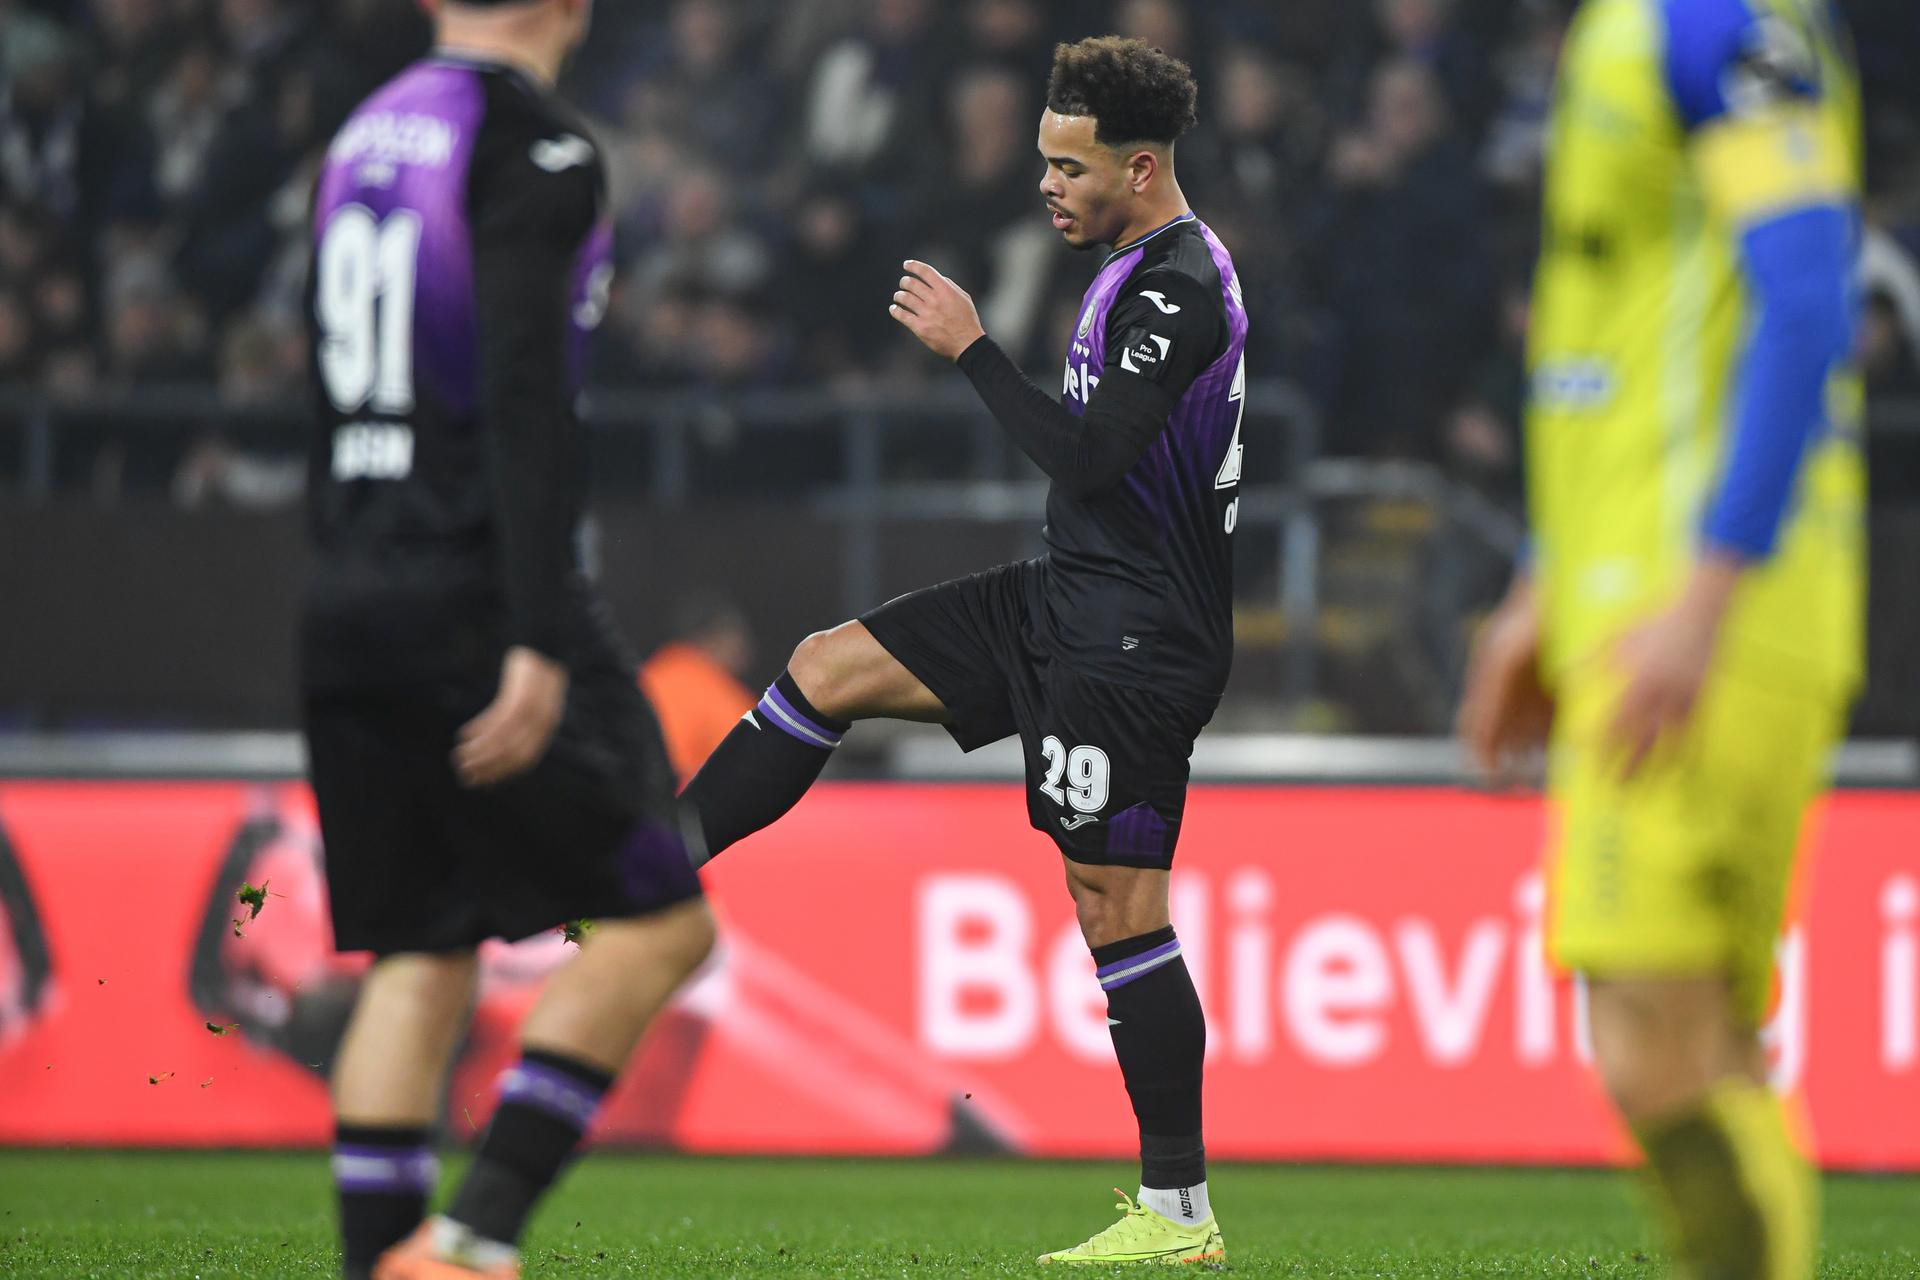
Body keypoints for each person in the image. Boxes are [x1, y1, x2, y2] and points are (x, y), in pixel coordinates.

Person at [683, 35, 1243, 1266]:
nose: (1047, 184)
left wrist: (974, 352)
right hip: (1068, 596)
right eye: (1042, 159)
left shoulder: (1179, 288)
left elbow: (1093, 457)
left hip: (1139, 636)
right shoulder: (1128, 263)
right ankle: (651, 869)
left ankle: (1178, 1215)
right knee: (827, 664)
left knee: (1115, 903)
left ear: (1141, 169)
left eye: (1070, 166)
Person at [299, 2, 716, 1277]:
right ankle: (475, 1238)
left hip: (349, 586)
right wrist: (537, 634)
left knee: (420, 955)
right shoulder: (533, 143)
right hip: (480, 593)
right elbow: (530, 399)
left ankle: (384, 1259)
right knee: (661, 922)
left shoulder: (363, 136)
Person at [1458, 1, 1863, 1276]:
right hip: (1648, 589)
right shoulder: (1639, 29)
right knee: (1708, 1039)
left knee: (1645, 1034)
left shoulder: (1710, 19)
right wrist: (1543, 581)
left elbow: (1808, 293)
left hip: (1702, 603)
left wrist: (1706, 587)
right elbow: (1614, 357)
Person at [637, 594, 757, 784]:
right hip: (685, 797)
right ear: (715, 639)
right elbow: (754, 762)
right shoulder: (720, 693)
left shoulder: (652, 674)